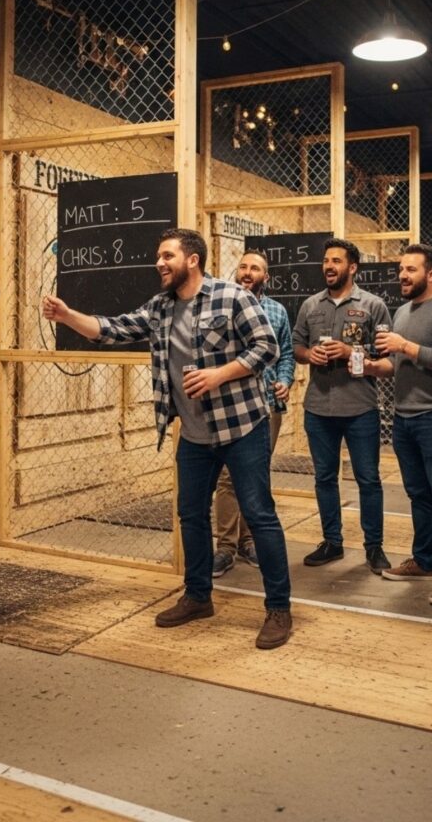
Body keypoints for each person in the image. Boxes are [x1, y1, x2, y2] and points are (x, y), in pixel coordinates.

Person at [42, 228, 293, 649]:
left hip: (242, 427)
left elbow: (267, 347)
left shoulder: (232, 297)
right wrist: (68, 315)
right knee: (190, 515)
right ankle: (198, 597)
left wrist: (219, 373)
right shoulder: (160, 308)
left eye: (167, 256)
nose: (159, 263)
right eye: (159, 256)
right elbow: (112, 330)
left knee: (260, 514)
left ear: (191, 260)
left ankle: (279, 608)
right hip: (194, 434)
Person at [370, 244, 432, 606]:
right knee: (418, 494)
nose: (402, 275)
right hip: (405, 417)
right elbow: (397, 366)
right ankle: (425, 560)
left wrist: (405, 346)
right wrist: (371, 367)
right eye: (401, 269)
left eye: (411, 269)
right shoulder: (401, 312)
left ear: (431, 274)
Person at [292, 238, 393, 574]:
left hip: (360, 407)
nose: (329, 266)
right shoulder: (310, 305)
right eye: (326, 261)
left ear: (352, 267)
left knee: (368, 479)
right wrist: (309, 355)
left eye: (336, 261)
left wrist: (351, 353)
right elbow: (296, 345)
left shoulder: (373, 305)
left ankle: (374, 547)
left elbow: (386, 357)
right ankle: (332, 542)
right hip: (318, 407)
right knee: (324, 478)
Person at [213, 250, 295, 578]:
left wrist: (285, 381)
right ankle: (225, 547)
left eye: (255, 268)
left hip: (266, 407)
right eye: (244, 266)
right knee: (227, 477)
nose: (248, 272)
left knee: (255, 474)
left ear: (266, 277)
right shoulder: (220, 306)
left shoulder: (277, 311)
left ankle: (249, 542)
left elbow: (286, 354)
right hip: (230, 405)